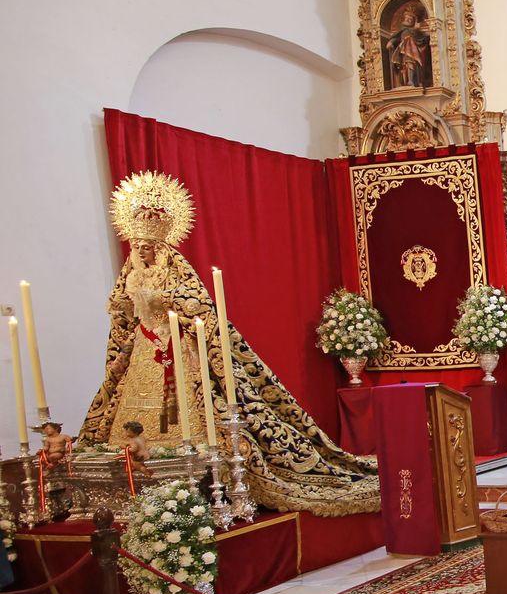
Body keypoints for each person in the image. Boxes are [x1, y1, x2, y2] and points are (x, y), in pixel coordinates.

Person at [86, 171, 378, 516]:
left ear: (160, 245)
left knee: (186, 402)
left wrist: (165, 298)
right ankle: (145, 456)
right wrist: (124, 305)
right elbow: (121, 312)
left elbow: (198, 303)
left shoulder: (175, 269)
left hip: (176, 345)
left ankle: (196, 456)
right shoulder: (130, 274)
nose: (142, 251)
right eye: (137, 246)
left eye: (147, 246)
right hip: (144, 350)